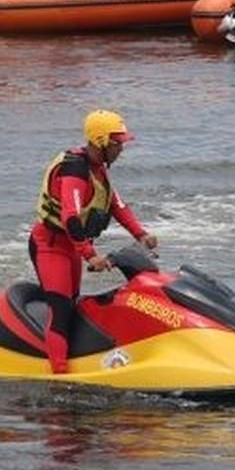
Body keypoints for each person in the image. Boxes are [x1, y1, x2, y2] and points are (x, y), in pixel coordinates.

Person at [29, 109, 158, 373]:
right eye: (117, 143)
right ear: (100, 141)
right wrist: (91, 255)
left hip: (70, 248)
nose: (121, 149)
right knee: (62, 309)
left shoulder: (97, 170)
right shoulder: (75, 171)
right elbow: (71, 219)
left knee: (75, 303)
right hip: (50, 246)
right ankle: (60, 375)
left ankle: (74, 358)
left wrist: (141, 234)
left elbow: (117, 205)